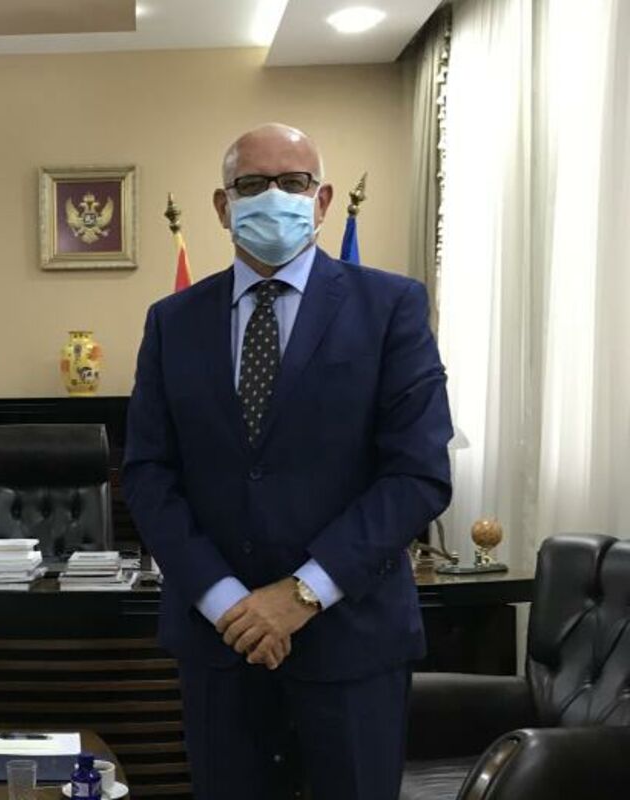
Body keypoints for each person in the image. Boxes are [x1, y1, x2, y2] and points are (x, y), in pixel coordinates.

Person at [122, 124, 453, 800]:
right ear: (223, 206)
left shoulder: (391, 307)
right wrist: (227, 602)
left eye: (293, 182)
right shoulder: (172, 321)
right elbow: (149, 475)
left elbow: (417, 473)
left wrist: (301, 594)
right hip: (219, 646)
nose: (273, 195)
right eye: (251, 184)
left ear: (322, 200)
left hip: (352, 641)